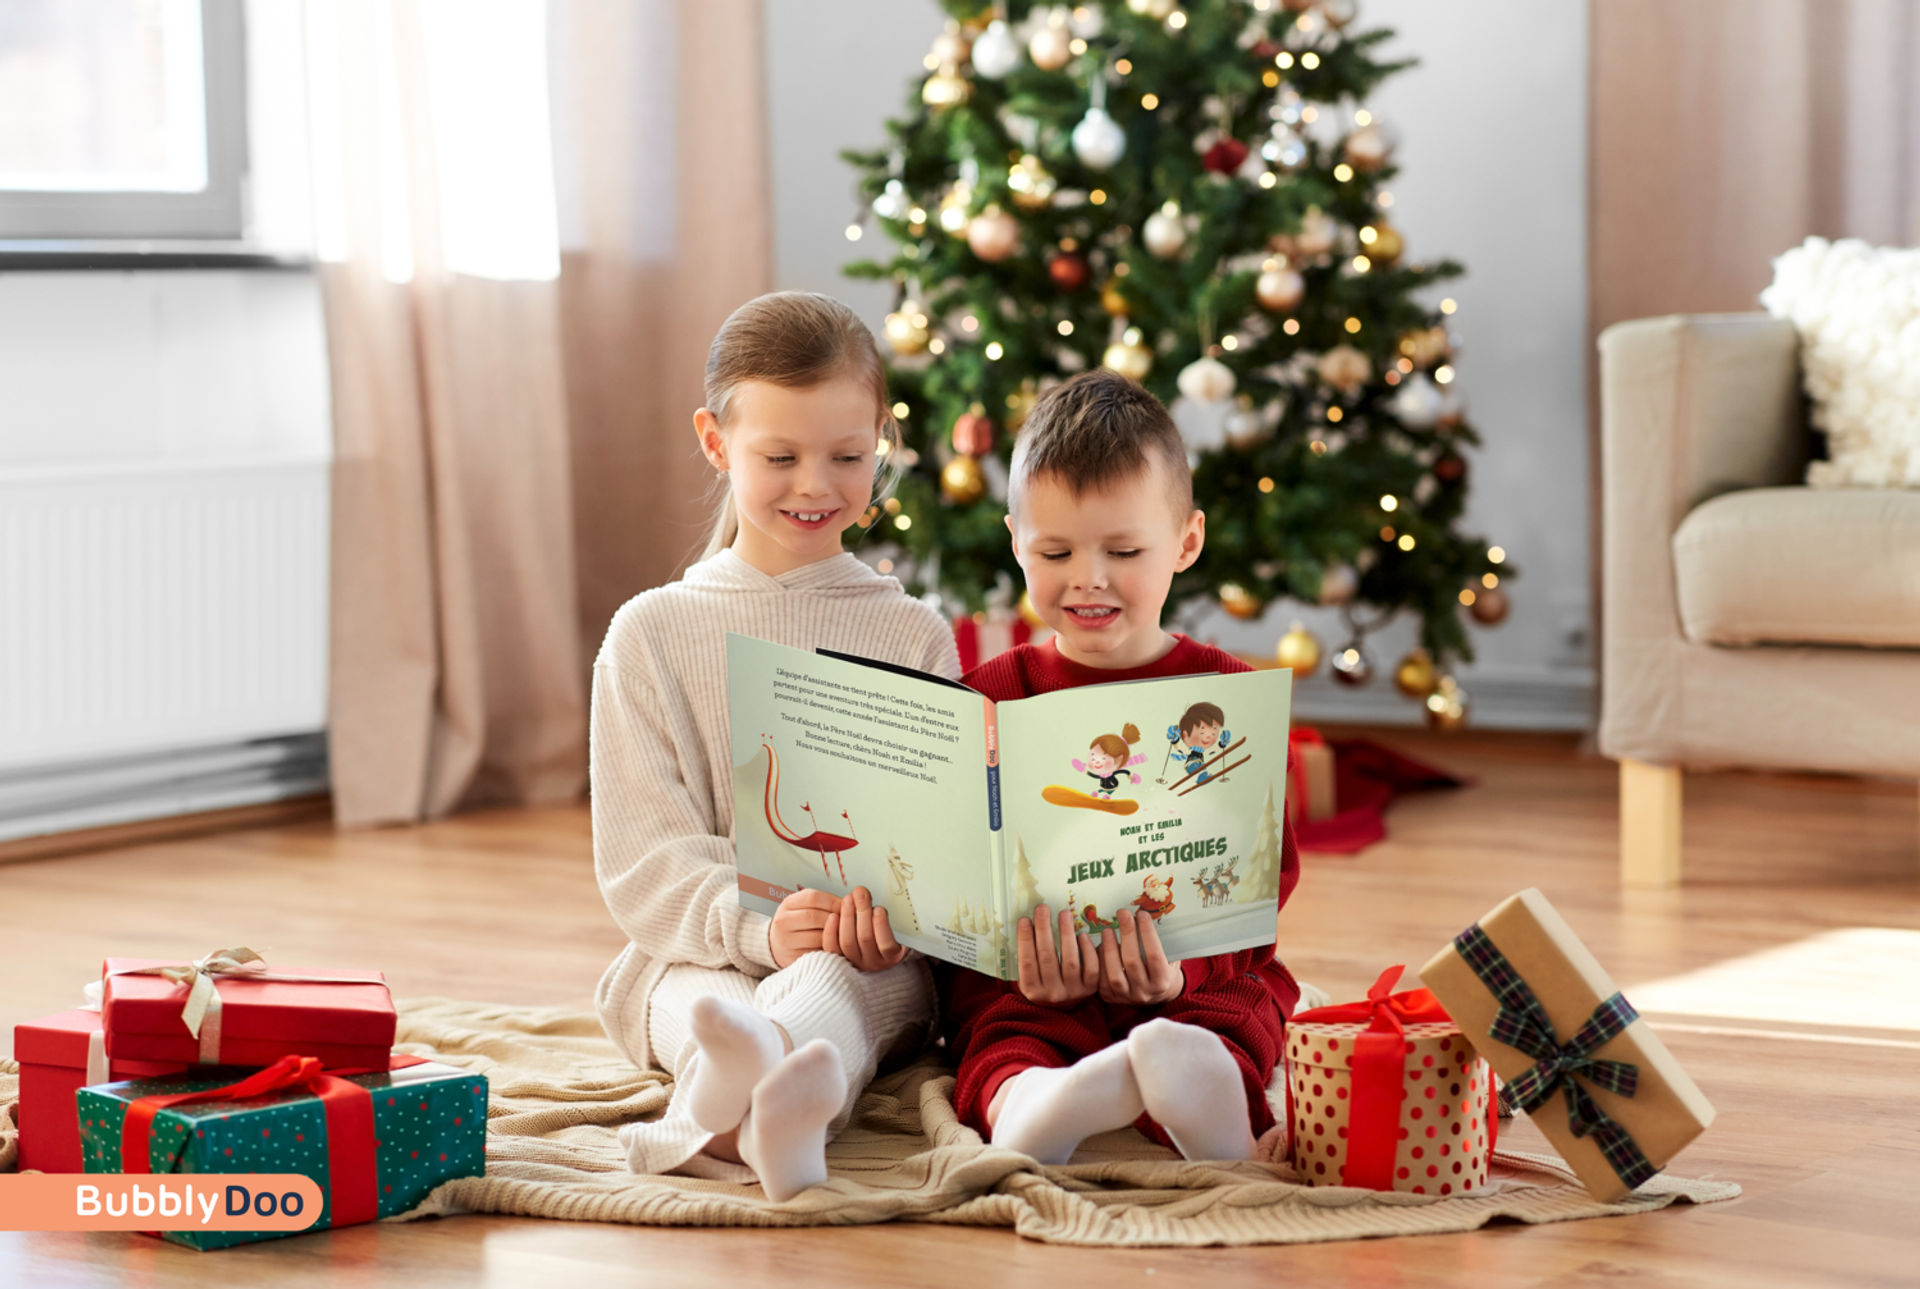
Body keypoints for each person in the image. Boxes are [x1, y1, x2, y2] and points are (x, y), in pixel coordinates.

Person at [592, 292, 958, 1201]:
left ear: (882, 440)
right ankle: (766, 1090)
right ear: (717, 444)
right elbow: (645, 863)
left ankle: (737, 1104)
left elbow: (942, 849)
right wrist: (756, 927)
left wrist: (889, 922)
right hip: (696, 945)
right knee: (695, 996)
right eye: (780, 456)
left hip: (870, 957)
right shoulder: (651, 632)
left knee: (840, 983)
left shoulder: (915, 634)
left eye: (848, 456)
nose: (816, 486)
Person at [942, 368, 1304, 1165]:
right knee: (998, 1031)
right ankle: (1033, 1103)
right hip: (1033, 981)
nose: (1088, 578)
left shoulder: (1228, 698)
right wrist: (1019, 957)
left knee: (1245, 1008)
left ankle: (1206, 1104)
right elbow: (953, 872)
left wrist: (1183, 973)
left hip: (1186, 979)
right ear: (1015, 542)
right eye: (1056, 550)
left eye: (1125, 550)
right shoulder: (989, 697)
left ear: (1187, 540)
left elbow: (1260, 882)